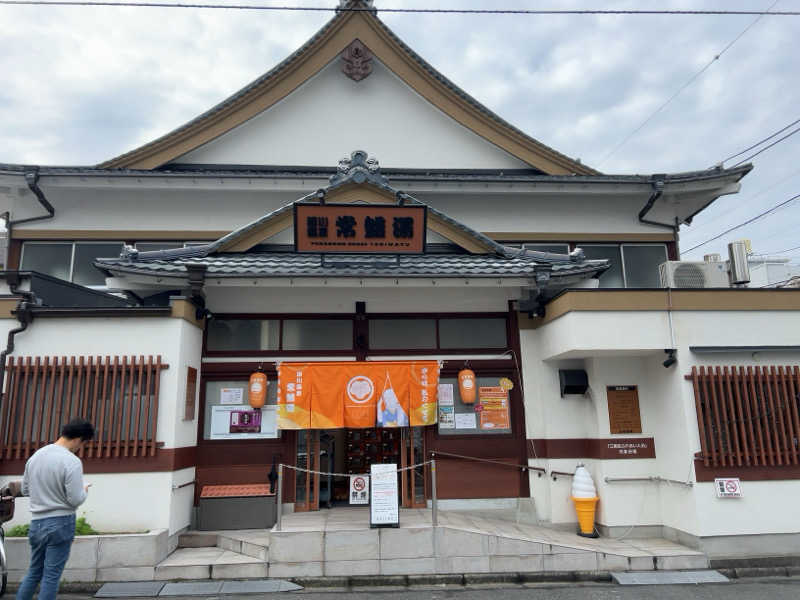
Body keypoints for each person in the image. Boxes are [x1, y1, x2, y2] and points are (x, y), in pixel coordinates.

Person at [16, 418, 94, 600]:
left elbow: (25, 489)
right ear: (79, 439)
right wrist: (85, 489)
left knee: (34, 572)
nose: (80, 448)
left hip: (36, 523)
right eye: (83, 444)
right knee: (51, 577)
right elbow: (75, 499)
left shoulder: (36, 457)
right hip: (61, 522)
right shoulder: (71, 461)